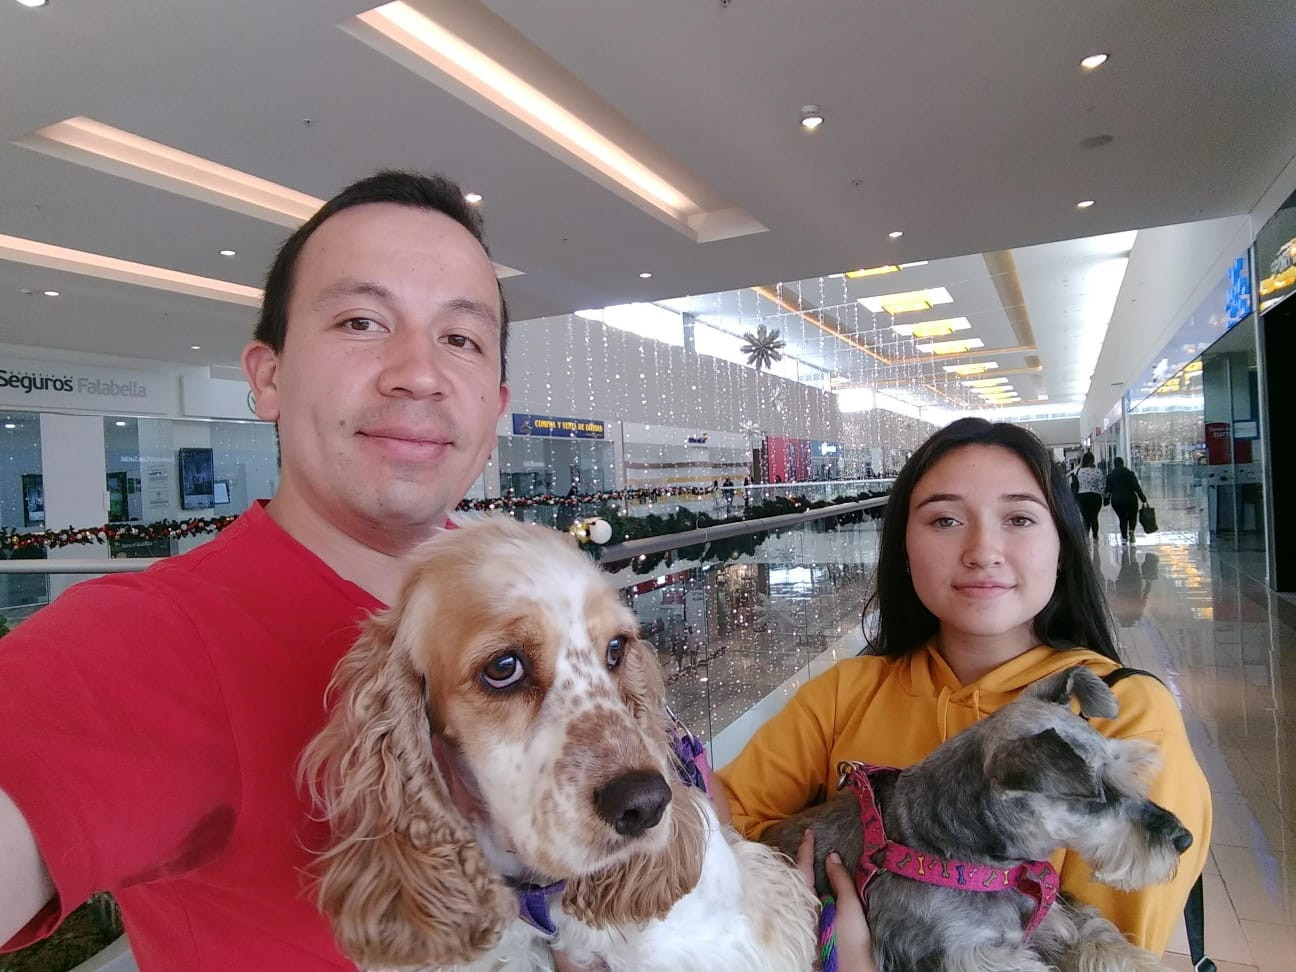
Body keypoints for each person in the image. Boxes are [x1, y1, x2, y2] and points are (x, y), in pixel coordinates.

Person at [0, 171, 517, 969]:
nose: (419, 372)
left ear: (497, 404)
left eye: (461, 339)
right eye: (361, 321)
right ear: (268, 377)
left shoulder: (527, 598)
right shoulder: (157, 640)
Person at [714, 418, 1210, 957]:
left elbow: (1109, 953)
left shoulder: (1127, 715)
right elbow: (720, 834)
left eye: (1019, 518)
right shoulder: (844, 692)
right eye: (945, 520)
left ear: (1062, 546)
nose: (982, 550)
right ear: (904, 548)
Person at [1105, 456, 1148, 543]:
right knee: (1132, 516)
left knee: (1122, 518)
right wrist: (1143, 498)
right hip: (1131, 499)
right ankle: (1131, 530)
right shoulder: (1130, 474)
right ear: (1123, 464)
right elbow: (1136, 487)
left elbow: (1108, 490)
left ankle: (1124, 537)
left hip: (1117, 500)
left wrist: (1106, 500)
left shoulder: (1110, 476)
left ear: (1114, 465)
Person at [1073, 450, 1106, 541]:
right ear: (1092, 460)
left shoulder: (1078, 471)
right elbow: (1102, 486)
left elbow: (1075, 484)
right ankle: (1095, 536)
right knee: (1094, 517)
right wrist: (1103, 496)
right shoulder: (1098, 471)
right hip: (1095, 497)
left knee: (1085, 517)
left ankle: (1086, 536)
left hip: (1082, 496)